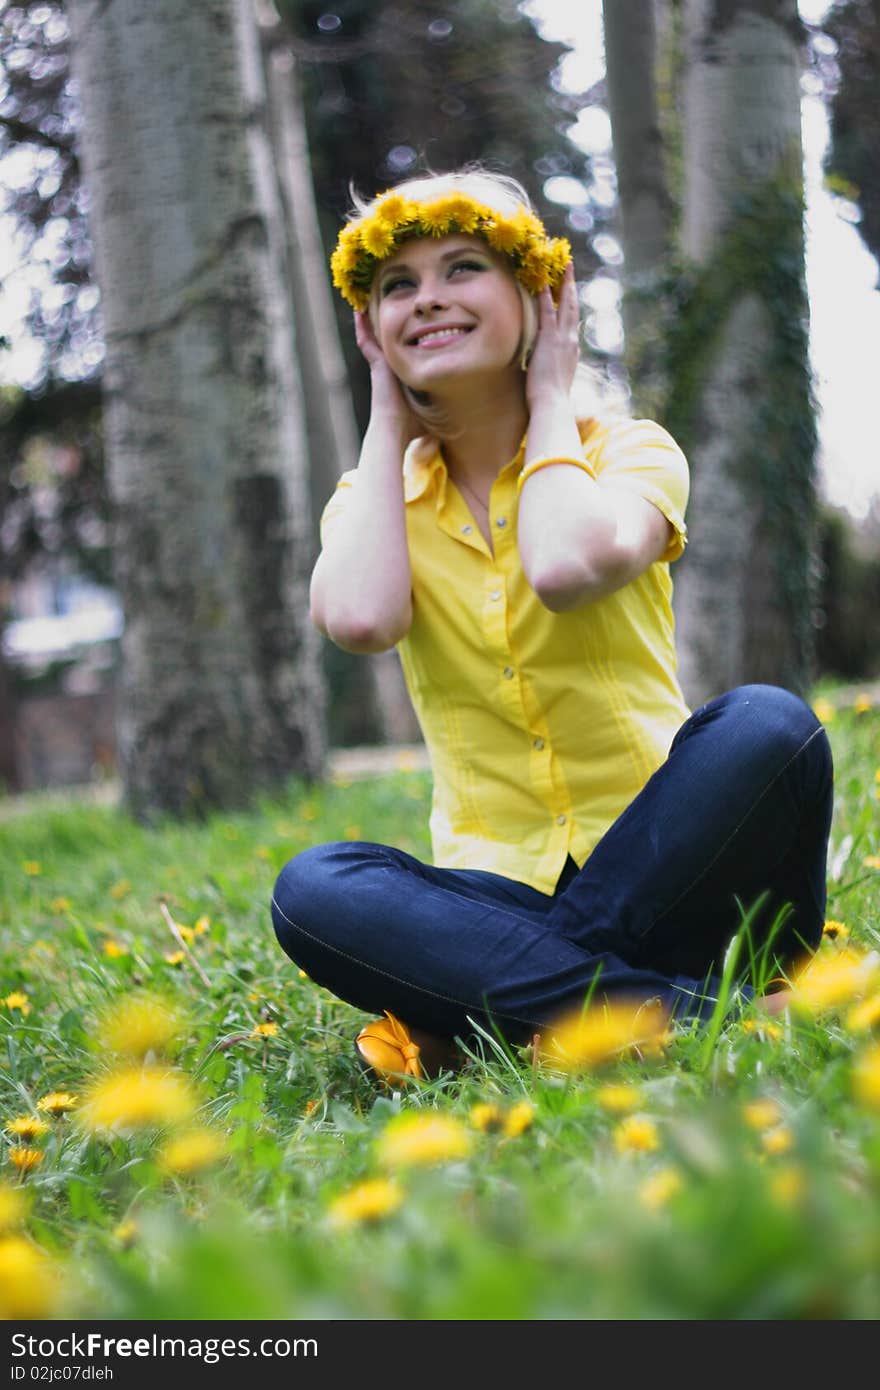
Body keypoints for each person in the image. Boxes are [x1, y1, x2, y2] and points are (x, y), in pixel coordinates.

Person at [271, 167, 833, 1081]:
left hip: (686, 864)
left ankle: (500, 1009)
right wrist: (384, 415)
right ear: (372, 331)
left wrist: (548, 394)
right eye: (396, 288)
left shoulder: (630, 452)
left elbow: (568, 570)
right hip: (500, 894)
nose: (428, 301)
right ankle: (689, 1013)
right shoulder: (370, 502)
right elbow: (363, 619)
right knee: (313, 890)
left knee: (771, 725)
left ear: (537, 296)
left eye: (461, 269)